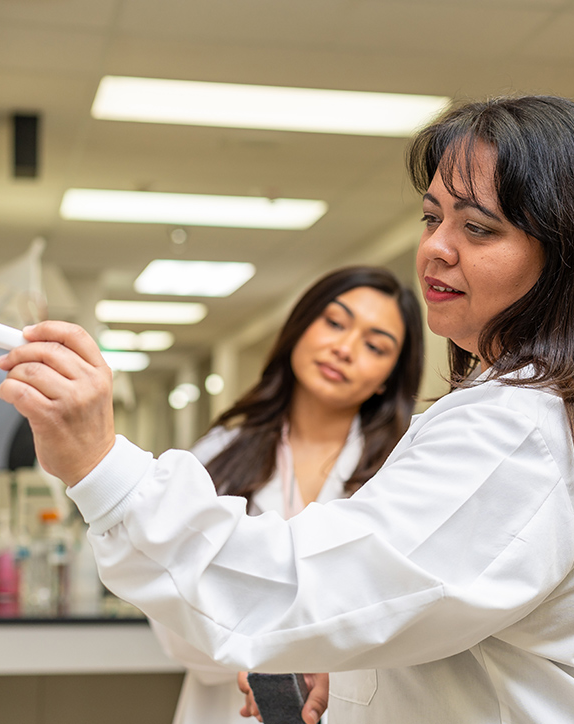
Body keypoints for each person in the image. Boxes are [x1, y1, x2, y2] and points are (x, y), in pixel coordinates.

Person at [0, 95, 574, 724]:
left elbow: (292, 589)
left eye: (479, 229)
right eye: (432, 217)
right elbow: (444, 612)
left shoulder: (521, 432)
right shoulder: (554, 414)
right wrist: (356, 669)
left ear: (569, 254)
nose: (436, 249)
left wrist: (103, 465)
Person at [150, 266, 424, 724]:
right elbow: (167, 595)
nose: (345, 348)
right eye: (335, 323)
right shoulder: (219, 454)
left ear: (387, 377)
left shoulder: (405, 468)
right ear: (300, 328)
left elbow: (409, 608)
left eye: (375, 346)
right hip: (224, 705)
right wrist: (255, 654)